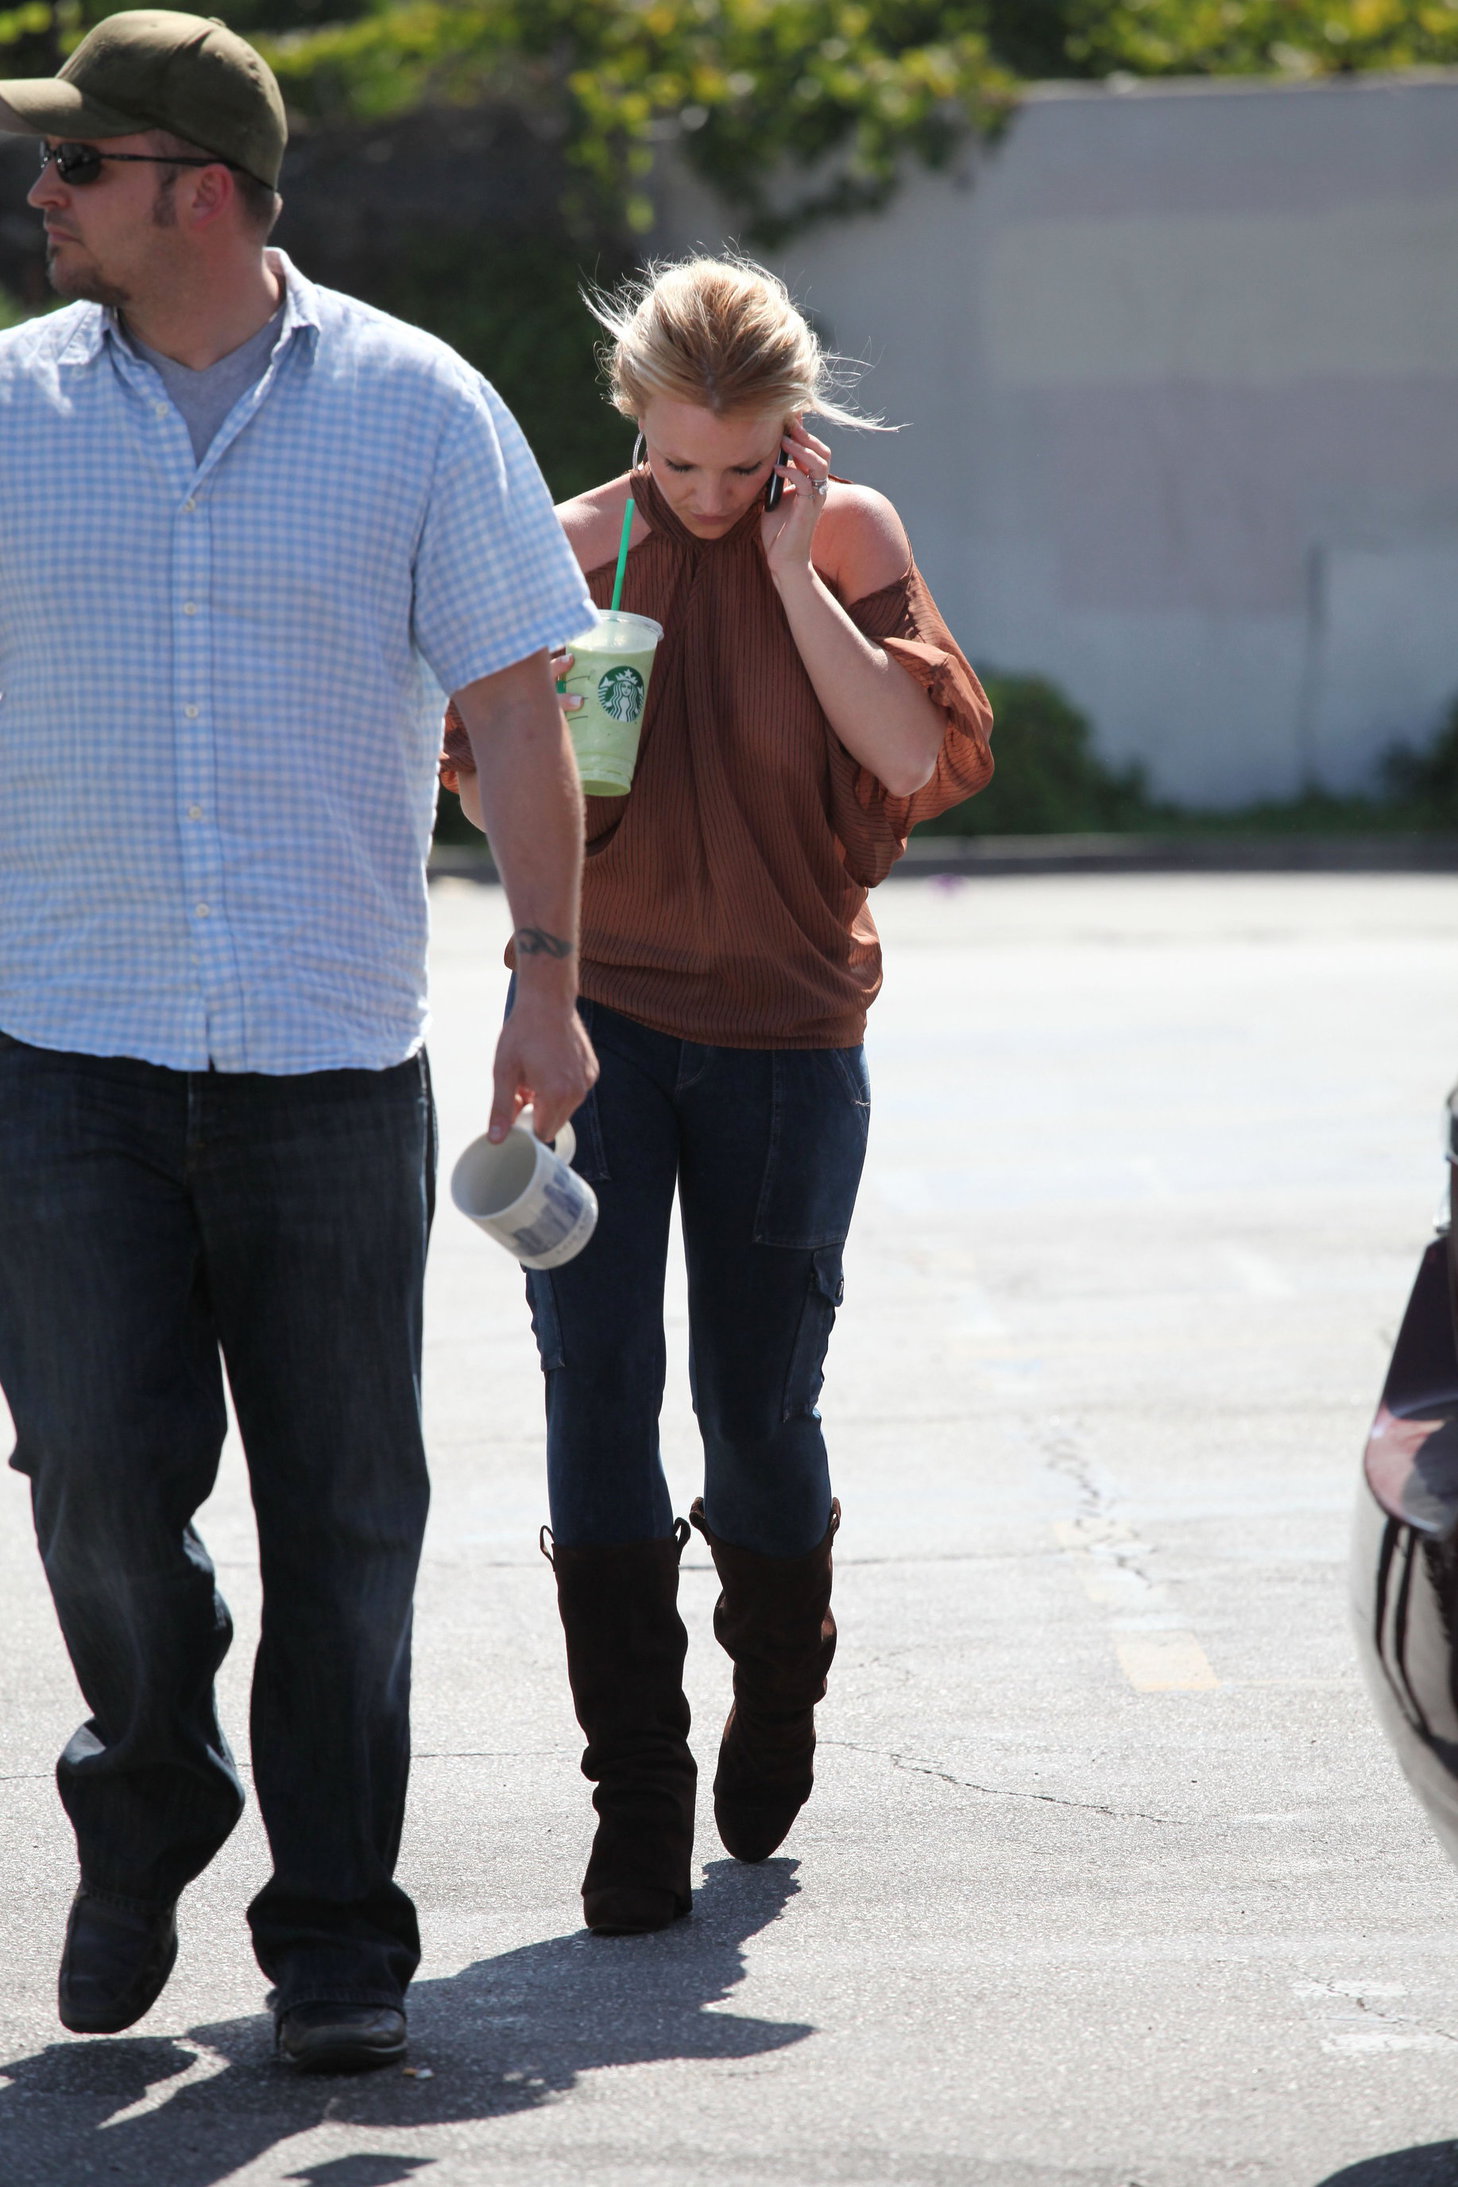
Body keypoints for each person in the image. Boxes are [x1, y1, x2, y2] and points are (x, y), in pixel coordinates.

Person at [0, 11, 597, 2072]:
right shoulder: (7, 414)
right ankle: (148, 1780)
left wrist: (545, 974)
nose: (43, 193)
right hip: (61, 1051)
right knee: (91, 1484)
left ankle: (338, 1930)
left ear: (206, 191)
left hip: (331, 1062)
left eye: (81, 163)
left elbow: (520, 705)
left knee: (347, 1514)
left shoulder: (419, 410)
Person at [441, 256, 994, 1936]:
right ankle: (636, 1791)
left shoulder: (844, 536)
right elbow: (495, 802)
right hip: (601, 1033)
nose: (700, 494)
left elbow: (911, 759)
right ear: (634, 427)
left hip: (790, 1041)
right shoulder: (559, 547)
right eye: (675, 466)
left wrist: (778, 570)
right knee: (592, 1396)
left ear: (790, 437)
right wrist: (520, 835)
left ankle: (777, 1682)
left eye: (737, 466)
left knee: (758, 1411)